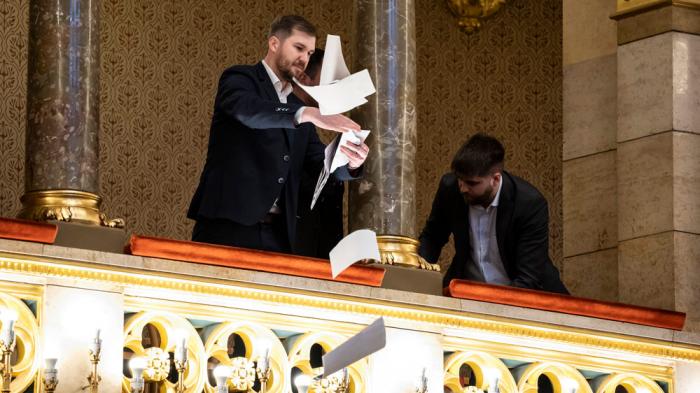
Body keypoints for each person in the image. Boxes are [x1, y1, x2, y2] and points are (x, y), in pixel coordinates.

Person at [187, 15, 369, 254]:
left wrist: (351, 163)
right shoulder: (240, 78)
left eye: (309, 53)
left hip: (280, 236)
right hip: (228, 226)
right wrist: (307, 113)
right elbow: (248, 111)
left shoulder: (298, 108)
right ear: (274, 44)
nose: (304, 58)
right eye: (299, 48)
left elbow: (319, 164)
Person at [418, 133, 568, 294]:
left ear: (495, 179)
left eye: (472, 183)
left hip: (528, 296)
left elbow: (528, 278)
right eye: (459, 179)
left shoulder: (530, 203)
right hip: (467, 291)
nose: (462, 188)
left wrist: (492, 304)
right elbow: (432, 237)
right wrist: (417, 276)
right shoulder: (450, 188)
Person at [291, 49, 345, 258]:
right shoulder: (286, 112)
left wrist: (350, 160)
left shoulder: (305, 125)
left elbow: (323, 164)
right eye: (329, 79)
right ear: (303, 77)